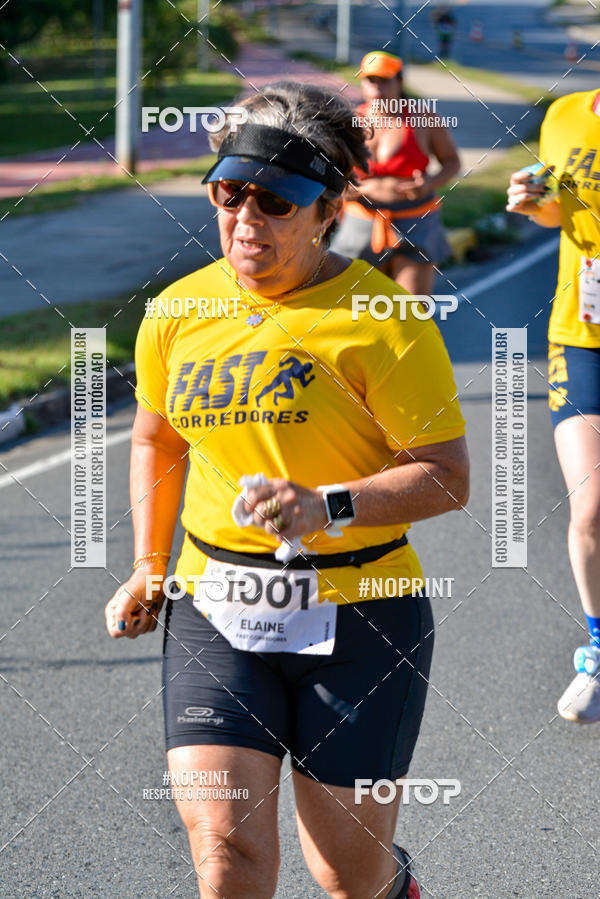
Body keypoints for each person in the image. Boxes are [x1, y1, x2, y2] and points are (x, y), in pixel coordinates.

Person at [105, 81, 469, 898]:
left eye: (275, 201)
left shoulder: (384, 318)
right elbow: (157, 439)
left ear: (328, 211)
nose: (246, 218)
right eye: (230, 193)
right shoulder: (177, 311)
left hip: (362, 613)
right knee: (227, 858)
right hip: (216, 607)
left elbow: (447, 477)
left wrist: (325, 505)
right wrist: (148, 566)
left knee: (347, 872)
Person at [507, 89, 600, 723]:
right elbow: (556, 211)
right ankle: (598, 650)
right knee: (590, 506)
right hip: (581, 335)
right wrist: (532, 201)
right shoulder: (564, 114)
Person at [330, 51, 461, 295]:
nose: (377, 88)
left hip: (415, 220)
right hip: (361, 220)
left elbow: (452, 162)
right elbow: (332, 168)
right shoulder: (350, 122)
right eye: (371, 80)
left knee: (409, 309)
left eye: (384, 80)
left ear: (400, 82)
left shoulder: (423, 119)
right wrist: (341, 187)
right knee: (358, 308)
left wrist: (429, 183)